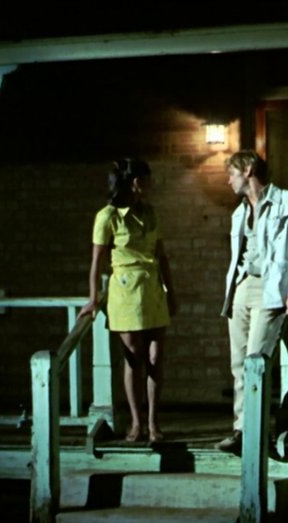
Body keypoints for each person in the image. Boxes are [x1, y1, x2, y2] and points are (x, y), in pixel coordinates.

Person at [79, 158, 177, 443]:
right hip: (125, 289)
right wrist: (93, 298)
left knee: (155, 357)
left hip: (152, 287)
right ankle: (136, 423)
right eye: (147, 179)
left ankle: (154, 423)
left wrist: (171, 292)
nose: (151, 185)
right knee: (134, 358)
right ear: (136, 182)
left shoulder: (150, 212)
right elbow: (97, 261)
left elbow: (161, 255)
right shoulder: (108, 216)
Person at [217, 150, 288, 453]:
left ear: (248, 170)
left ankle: (258, 431)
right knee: (238, 363)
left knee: (257, 360)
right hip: (242, 286)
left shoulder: (287, 200)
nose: (228, 181)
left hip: (271, 288)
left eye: (232, 173)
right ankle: (242, 430)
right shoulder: (239, 212)